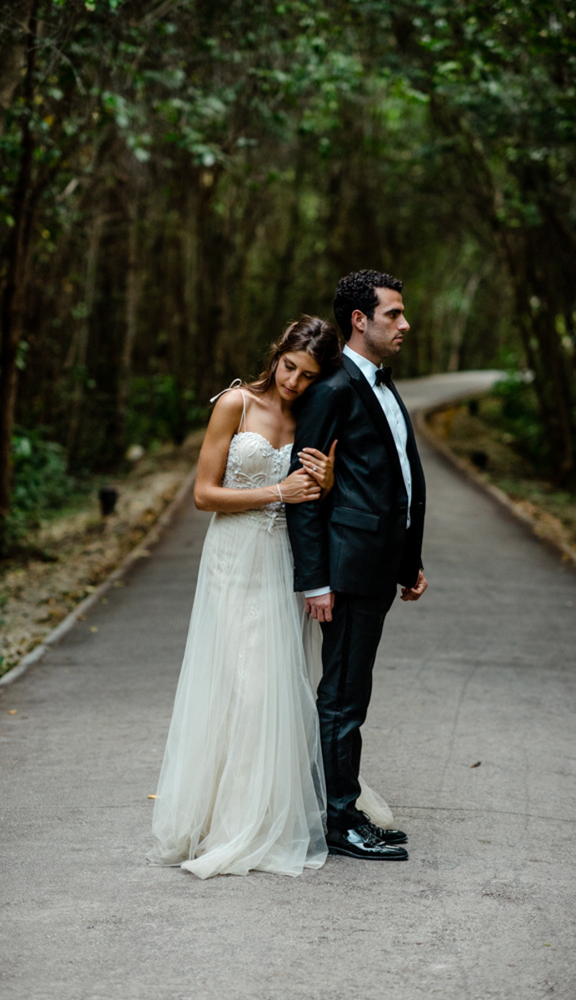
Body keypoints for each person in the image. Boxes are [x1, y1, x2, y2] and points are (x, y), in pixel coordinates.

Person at [148, 316, 342, 879]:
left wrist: (325, 483)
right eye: (289, 368)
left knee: (274, 686)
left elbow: (317, 496)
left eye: (308, 376)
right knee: (241, 686)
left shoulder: (312, 412)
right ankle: (224, 821)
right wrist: (276, 491)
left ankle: (259, 816)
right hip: (233, 559)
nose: (294, 383)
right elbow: (204, 495)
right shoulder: (234, 403)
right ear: (276, 354)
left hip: (283, 561)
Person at [286, 270, 428, 862]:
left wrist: (409, 559)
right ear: (360, 321)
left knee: (353, 694)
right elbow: (303, 493)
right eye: (393, 314)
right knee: (342, 698)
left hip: (378, 567)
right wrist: (316, 579)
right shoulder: (333, 388)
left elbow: (394, 476)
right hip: (343, 574)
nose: (405, 324)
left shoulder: (383, 385)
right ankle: (340, 821)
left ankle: (343, 805)